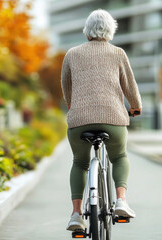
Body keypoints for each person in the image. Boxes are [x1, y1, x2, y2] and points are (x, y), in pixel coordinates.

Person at [61, 9, 142, 231]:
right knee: (119, 156)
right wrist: (135, 107)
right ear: (110, 30)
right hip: (113, 120)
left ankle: (76, 215)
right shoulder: (118, 53)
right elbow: (130, 87)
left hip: (79, 121)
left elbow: (66, 88)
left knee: (80, 163)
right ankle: (121, 201)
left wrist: (73, 105)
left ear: (87, 30)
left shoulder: (72, 54)